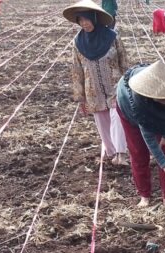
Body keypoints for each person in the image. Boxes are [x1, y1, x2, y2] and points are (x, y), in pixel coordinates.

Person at [116, 59, 165, 207]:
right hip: (129, 110)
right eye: (161, 100)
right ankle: (144, 194)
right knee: (138, 151)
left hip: (153, 106)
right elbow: (148, 136)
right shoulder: (139, 100)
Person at [64, 0, 128, 166]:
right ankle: (112, 152)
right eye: (81, 20)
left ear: (94, 18)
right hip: (93, 89)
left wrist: (128, 82)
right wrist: (80, 98)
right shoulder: (77, 43)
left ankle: (121, 153)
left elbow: (124, 61)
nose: (84, 23)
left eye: (87, 19)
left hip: (114, 85)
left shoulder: (112, 37)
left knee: (118, 118)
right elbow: (76, 70)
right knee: (102, 120)